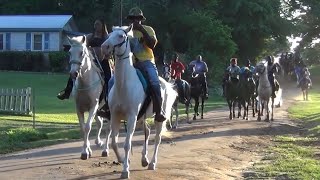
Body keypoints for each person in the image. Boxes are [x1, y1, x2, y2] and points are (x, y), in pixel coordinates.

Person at [126, 7, 166, 122]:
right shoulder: (126, 32)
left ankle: (159, 112)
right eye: (132, 18)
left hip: (147, 62)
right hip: (130, 64)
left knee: (154, 82)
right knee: (113, 81)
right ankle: (109, 109)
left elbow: (152, 45)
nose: (135, 21)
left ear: (141, 19)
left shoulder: (148, 29)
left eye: (137, 18)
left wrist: (142, 31)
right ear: (129, 20)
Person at [57, 19, 112, 100]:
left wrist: (106, 54)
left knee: (108, 76)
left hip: (103, 60)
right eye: (95, 24)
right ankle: (67, 92)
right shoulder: (90, 36)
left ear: (103, 26)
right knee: (74, 72)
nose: (96, 26)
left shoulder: (106, 37)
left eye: (98, 24)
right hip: (91, 60)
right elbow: (82, 46)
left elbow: (110, 49)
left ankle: (108, 96)